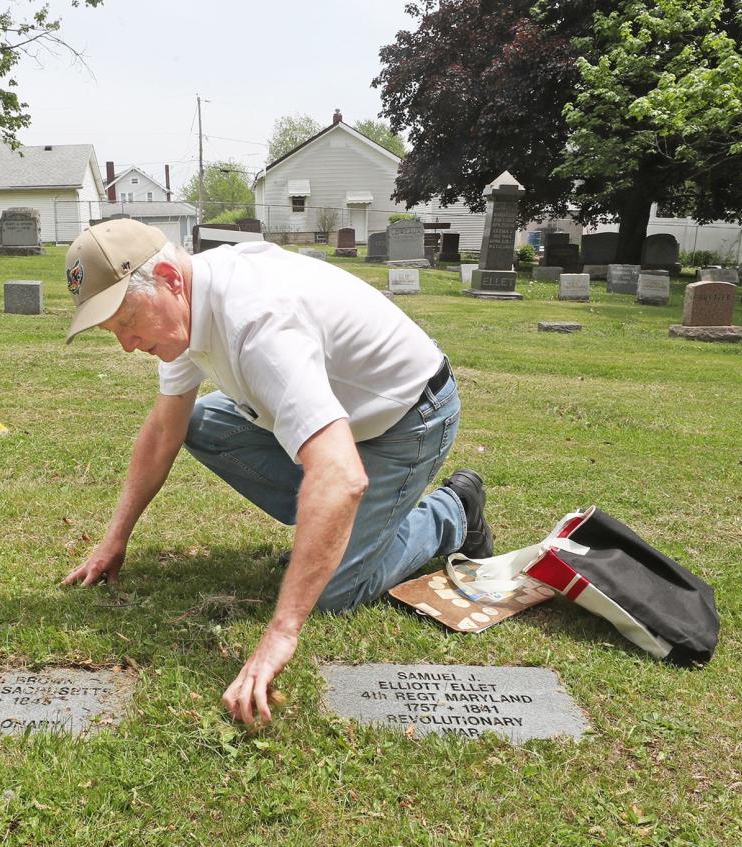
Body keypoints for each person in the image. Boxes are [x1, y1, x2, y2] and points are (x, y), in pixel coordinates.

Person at [60, 219, 492, 724]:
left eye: (127, 320)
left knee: (333, 594)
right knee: (196, 422)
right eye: (113, 331)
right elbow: (162, 432)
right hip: (336, 424)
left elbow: (340, 476)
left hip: (405, 418)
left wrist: (281, 632)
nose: (127, 345)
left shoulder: (258, 323)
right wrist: (115, 539)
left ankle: (453, 511)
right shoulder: (187, 308)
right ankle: (331, 524)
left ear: (168, 279)